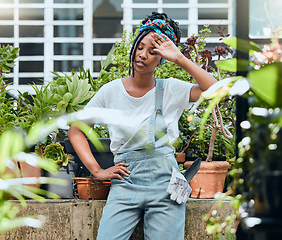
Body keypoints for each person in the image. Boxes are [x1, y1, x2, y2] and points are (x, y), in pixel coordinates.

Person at [67, 12, 217, 240]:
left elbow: (216, 90)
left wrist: (181, 59)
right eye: (140, 47)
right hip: (125, 183)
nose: (142, 55)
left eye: (153, 52)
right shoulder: (110, 91)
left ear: (162, 59)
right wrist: (97, 171)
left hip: (165, 185)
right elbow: (75, 130)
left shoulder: (171, 89)